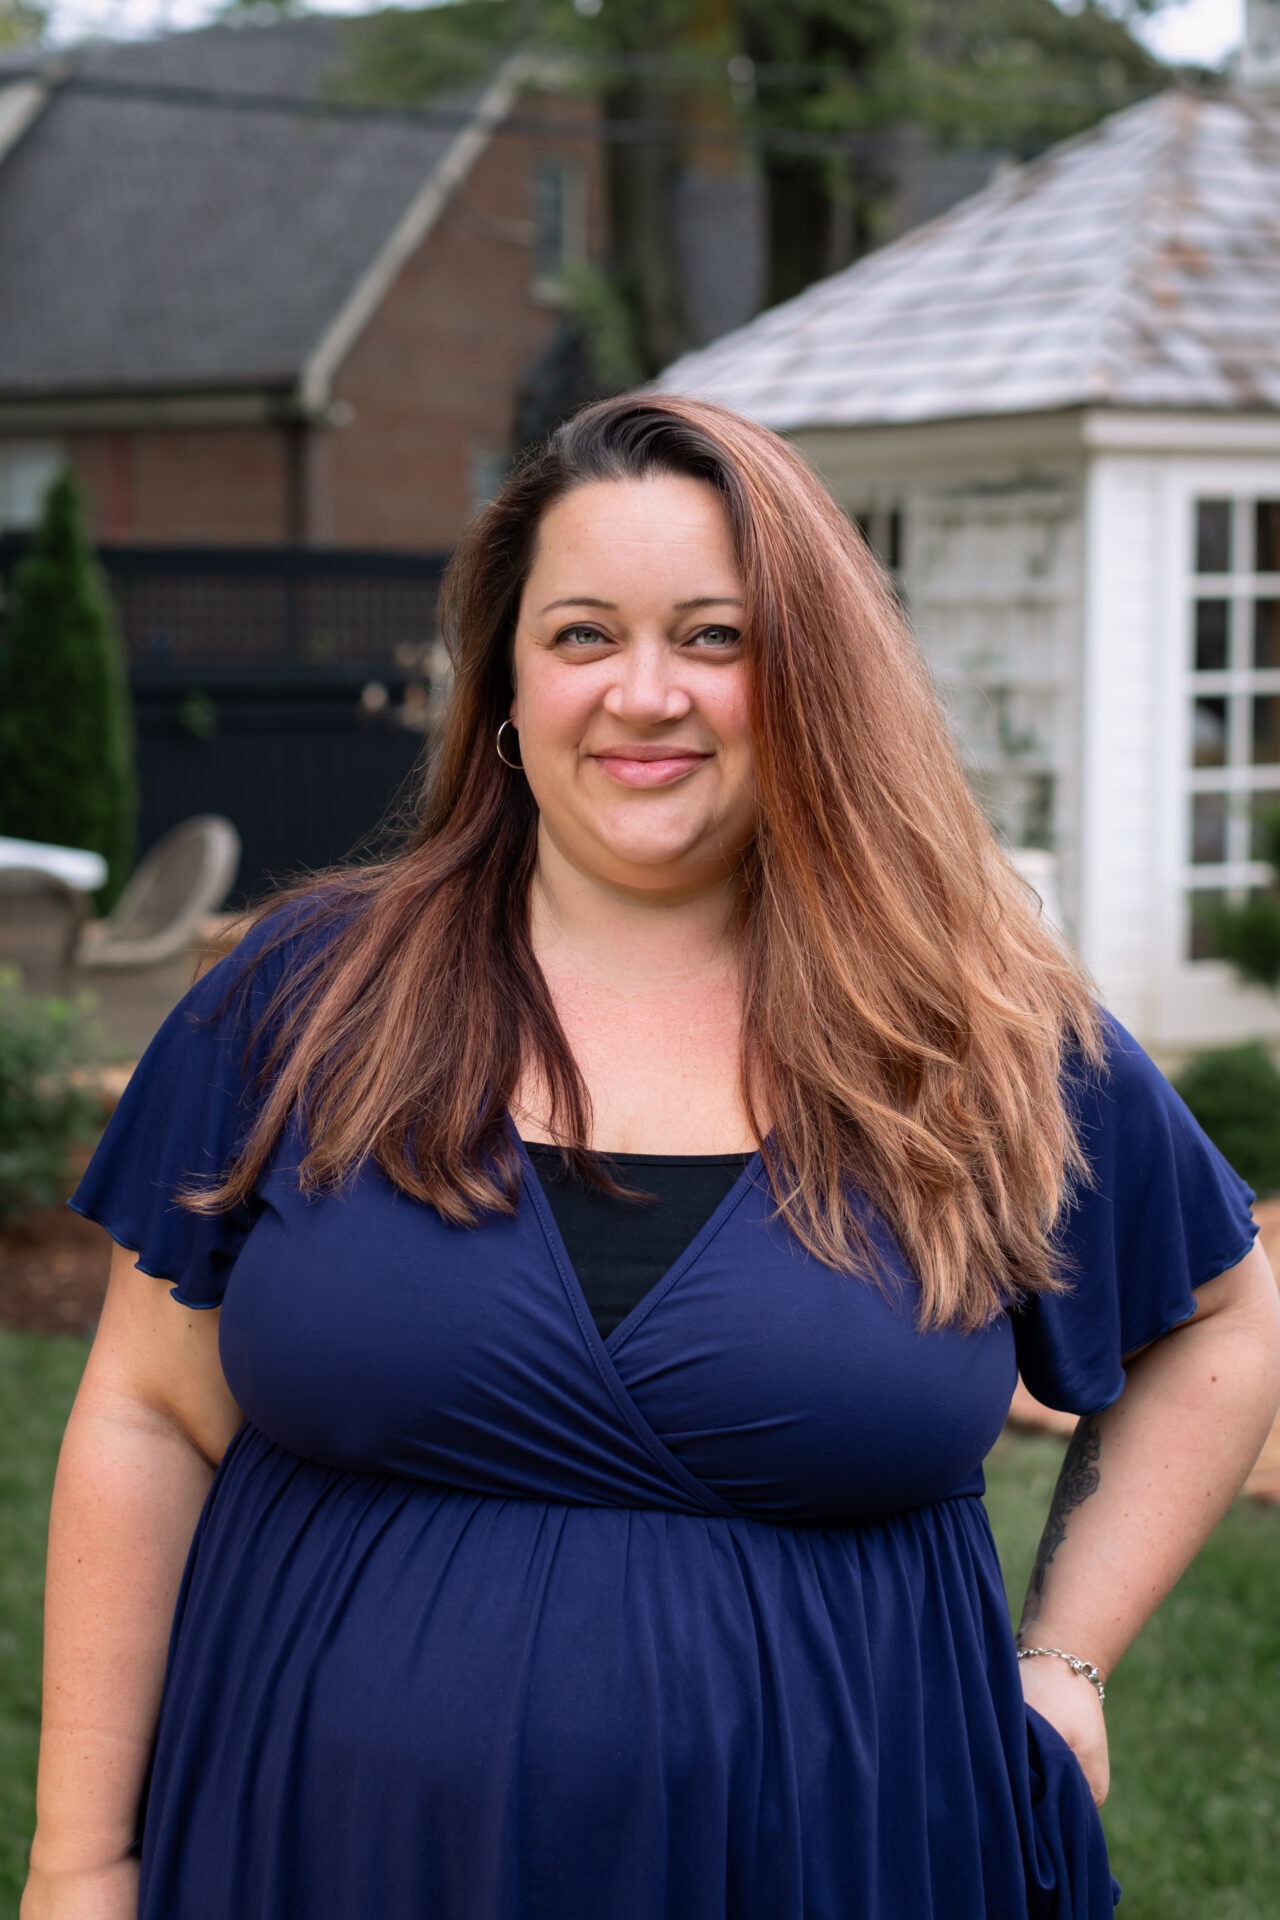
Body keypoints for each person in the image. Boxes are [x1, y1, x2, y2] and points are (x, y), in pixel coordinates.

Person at [22, 394, 1280, 1920]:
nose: (644, 693)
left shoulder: (977, 1033)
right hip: (323, 1847)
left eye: (713, 636)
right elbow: (148, 1414)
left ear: (811, 677)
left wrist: (1068, 1657)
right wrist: (79, 1862)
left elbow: (1222, 1313)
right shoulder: (306, 997)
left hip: (854, 1848)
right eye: (580, 636)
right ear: (502, 681)